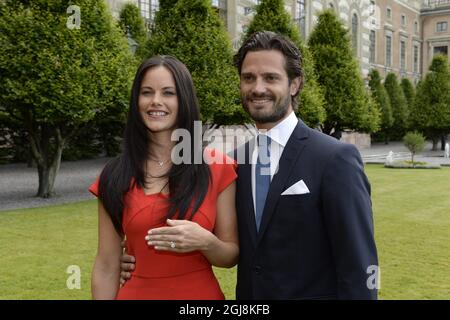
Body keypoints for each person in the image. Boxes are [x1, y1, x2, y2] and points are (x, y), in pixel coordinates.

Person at [120, 32, 379, 300]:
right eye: (248, 78)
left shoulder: (335, 158)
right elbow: (220, 241)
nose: (257, 88)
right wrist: (128, 258)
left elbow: (359, 266)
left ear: (295, 84)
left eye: (271, 77)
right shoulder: (234, 163)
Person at [90, 55, 239, 300]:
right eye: (146, 92)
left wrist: (205, 242)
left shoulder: (218, 167)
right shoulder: (114, 175)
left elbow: (231, 254)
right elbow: (106, 265)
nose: (155, 101)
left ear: (184, 100)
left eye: (168, 93)